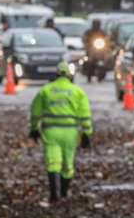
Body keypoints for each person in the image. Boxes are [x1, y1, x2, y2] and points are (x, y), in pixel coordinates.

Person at [29, 61, 92, 202]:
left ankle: (54, 195)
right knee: (67, 164)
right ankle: (64, 192)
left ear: (56, 74)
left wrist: (34, 128)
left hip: (51, 132)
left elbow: (35, 111)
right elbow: (85, 114)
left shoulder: (45, 90)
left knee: (53, 162)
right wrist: (86, 133)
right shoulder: (78, 92)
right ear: (70, 75)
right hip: (70, 133)